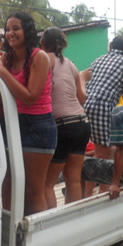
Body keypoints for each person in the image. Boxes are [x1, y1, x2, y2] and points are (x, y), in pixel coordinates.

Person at [0, 12, 57, 215]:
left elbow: (30, 97)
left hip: (38, 126)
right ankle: (11, 231)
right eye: (7, 29)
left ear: (27, 30)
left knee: (33, 190)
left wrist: (2, 72)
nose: (10, 33)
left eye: (16, 28)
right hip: (13, 123)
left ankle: (39, 233)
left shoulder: (39, 57)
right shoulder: (7, 58)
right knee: (10, 183)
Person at [41, 27, 91, 207]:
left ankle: (53, 221)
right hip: (82, 123)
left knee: (47, 184)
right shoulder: (71, 64)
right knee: (73, 179)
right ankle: (73, 218)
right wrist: (83, 79)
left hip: (63, 125)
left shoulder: (44, 59)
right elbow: (82, 98)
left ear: (43, 44)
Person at [83, 36, 123, 192]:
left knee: (101, 152)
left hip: (86, 104)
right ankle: (98, 195)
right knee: (103, 155)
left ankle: (90, 193)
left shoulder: (98, 59)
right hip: (103, 106)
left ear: (112, 47)